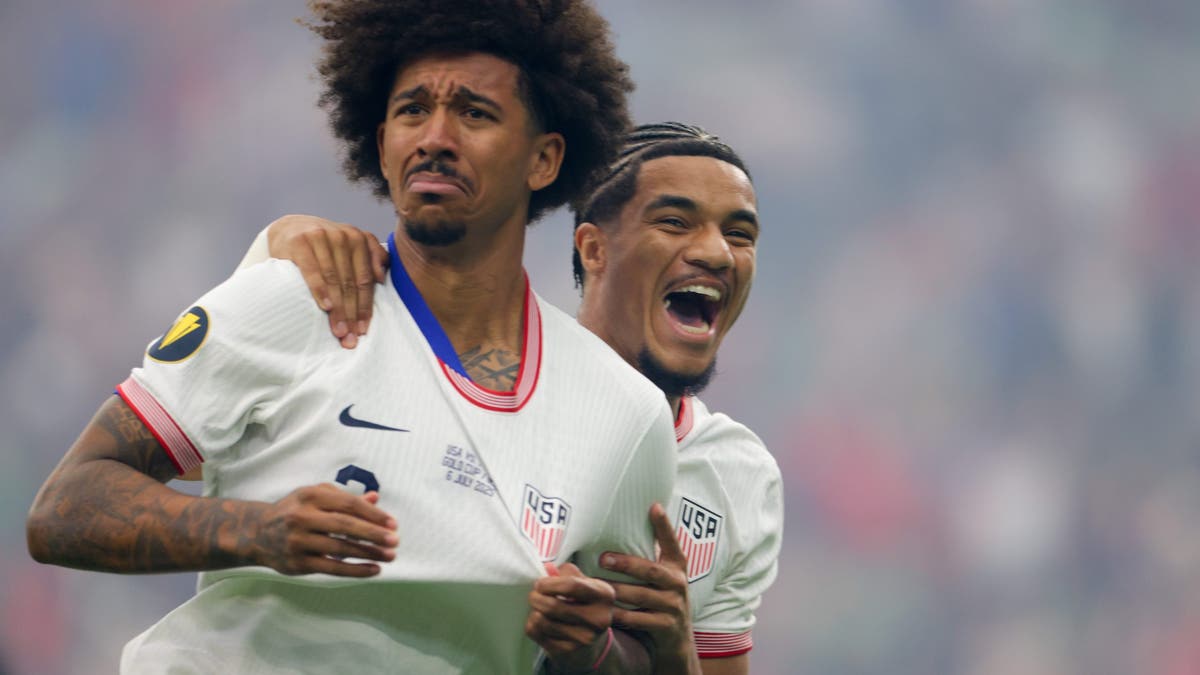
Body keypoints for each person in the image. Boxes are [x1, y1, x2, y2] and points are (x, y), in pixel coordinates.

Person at [25, 2, 678, 673]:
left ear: (544, 158)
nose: (434, 137)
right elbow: (65, 507)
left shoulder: (625, 415)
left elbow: (638, 653)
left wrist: (590, 646)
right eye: (411, 111)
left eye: (475, 113)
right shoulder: (294, 298)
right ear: (382, 142)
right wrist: (258, 528)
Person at [253, 122, 784, 675]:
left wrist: (673, 655)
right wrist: (280, 242)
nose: (718, 253)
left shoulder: (741, 474)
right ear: (594, 248)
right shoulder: (479, 390)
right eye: (675, 222)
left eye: (740, 234)